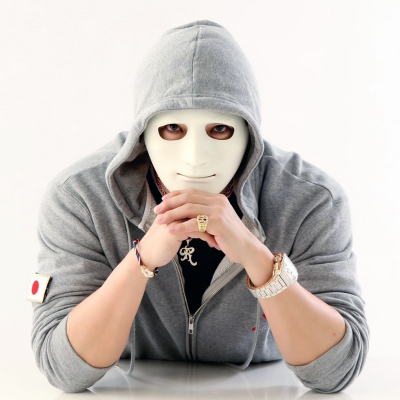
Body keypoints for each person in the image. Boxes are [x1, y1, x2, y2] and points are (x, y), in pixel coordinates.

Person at [29, 20, 369, 394]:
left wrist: (257, 259)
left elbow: (337, 372)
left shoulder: (312, 201)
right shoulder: (80, 198)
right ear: (143, 131)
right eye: (172, 128)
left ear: (250, 132)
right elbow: (63, 370)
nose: (194, 158)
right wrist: (142, 259)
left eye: (219, 129)